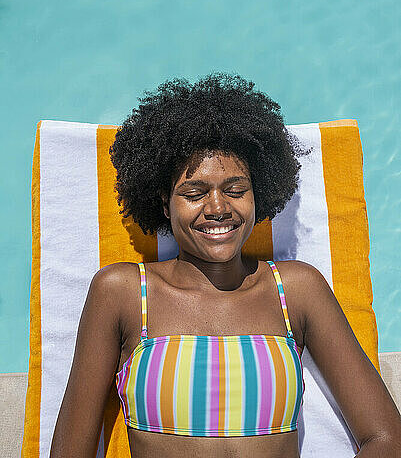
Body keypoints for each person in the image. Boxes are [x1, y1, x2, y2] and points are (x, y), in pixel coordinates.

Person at [50, 72, 401, 458]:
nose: (218, 208)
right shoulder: (122, 292)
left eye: (235, 190)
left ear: (259, 194)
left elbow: (386, 438)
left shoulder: (297, 290)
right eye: (194, 193)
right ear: (164, 203)